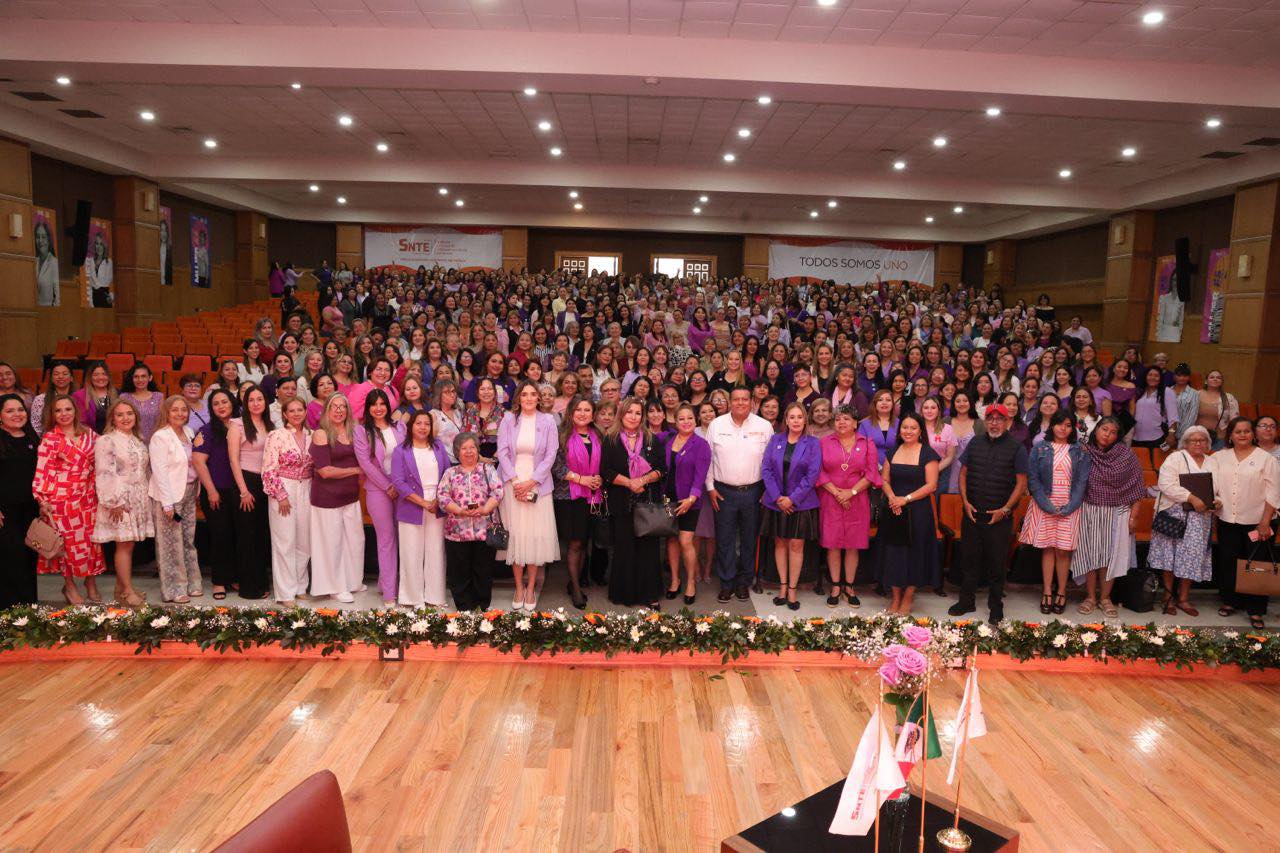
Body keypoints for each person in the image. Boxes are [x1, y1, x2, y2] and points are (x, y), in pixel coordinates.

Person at [949, 403, 1029, 624]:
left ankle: (995, 606)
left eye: (999, 419)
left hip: (999, 517)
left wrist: (1005, 510)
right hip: (972, 513)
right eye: (990, 418)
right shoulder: (975, 443)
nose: (994, 423)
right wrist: (965, 503)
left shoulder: (1017, 448)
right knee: (969, 560)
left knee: (996, 564)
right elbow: (963, 474)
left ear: (1007, 422)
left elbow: (1021, 483)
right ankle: (966, 601)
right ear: (985, 421)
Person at [1070, 417, 1146, 618]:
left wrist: (1134, 517)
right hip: (1089, 510)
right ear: (1096, 429)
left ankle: (1105, 598)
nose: (1107, 435)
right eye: (1104, 429)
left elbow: (1138, 488)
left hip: (1117, 513)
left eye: (1113, 432)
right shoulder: (1084, 451)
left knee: (1110, 557)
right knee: (1089, 555)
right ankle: (1090, 597)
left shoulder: (1126, 455)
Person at [33, 395, 106, 603]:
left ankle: (90, 582)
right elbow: (43, 470)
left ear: (75, 411)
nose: (64, 414)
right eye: (58, 410)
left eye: (68, 409)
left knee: (91, 542)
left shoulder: (90, 434)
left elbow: (103, 460)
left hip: (88, 497)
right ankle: (70, 585)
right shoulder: (50, 438)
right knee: (66, 545)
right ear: (52, 414)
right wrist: (42, 499)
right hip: (60, 500)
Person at [495, 381, 560, 610]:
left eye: (533, 394)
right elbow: (502, 451)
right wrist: (515, 482)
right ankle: (518, 587)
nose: (529, 398)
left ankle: (531, 587)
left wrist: (532, 482)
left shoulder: (548, 421)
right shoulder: (508, 419)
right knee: (516, 535)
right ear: (518, 398)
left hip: (538, 485)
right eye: (525, 394)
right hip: (512, 483)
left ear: (539, 398)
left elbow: (551, 453)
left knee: (533, 537)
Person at [704, 387, 773, 602]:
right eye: (736, 399)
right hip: (723, 491)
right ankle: (727, 583)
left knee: (749, 539)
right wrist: (710, 487)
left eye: (745, 399)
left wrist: (767, 491)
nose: (740, 403)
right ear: (729, 402)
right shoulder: (716, 425)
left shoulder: (764, 426)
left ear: (752, 402)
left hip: (754, 491)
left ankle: (744, 582)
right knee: (724, 539)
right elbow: (708, 458)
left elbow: (771, 462)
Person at [1212, 416, 1280, 628]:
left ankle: (1256, 610)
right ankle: (1230, 601)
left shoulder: (1266, 459)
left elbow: (1273, 492)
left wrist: (1265, 521)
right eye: (1238, 431)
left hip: (1259, 522)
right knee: (1228, 562)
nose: (1243, 434)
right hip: (1228, 519)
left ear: (1253, 434)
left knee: (1257, 565)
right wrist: (1214, 500)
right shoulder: (1218, 457)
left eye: (1247, 431)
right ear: (1230, 436)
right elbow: (1213, 486)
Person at [1020, 411, 1089, 615]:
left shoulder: (1080, 450)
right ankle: (1047, 592)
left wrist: (1070, 506)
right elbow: (1033, 479)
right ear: (1052, 425)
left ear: (1073, 428)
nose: (1063, 429)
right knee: (1048, 549)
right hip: (1045, 505)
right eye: (1060, 424)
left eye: (1068, 425)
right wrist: (1047, 505)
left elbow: (1082, 482)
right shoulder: (1040, 448)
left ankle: (1061, 591)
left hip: (1070, 507)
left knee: (1063, 551)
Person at [601, 397, 666, 608]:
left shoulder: (652, 439)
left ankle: (650, 594)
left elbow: (662, 469)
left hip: (647, 501)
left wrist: (642, 480)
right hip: (621, 502)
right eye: (629, 412)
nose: (633, 417)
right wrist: (629, 483)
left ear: (642, 416)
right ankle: (625, 594)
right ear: (621, 414)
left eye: (638, 413)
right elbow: (606, 471)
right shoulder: (610, 439)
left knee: (648, 549)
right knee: (624, 548)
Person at [1148, 425, 1217, 617]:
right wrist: (1191, 498)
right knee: (1170, 556)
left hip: (1200, 517)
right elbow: (1165, 484)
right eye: (1193, 440)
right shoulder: (1175, 458)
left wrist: (1218, 500)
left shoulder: (1213, 461)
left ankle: (1184, 598)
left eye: (1202, 440)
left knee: (1192, 557)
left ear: (1208, 443)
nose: (1198, 443)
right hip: (1174, 514)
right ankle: (1168, 597)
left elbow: (1219, 488)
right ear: (1185, 443)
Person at [90, 399, 153, 607]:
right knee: (124, 545)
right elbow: (104, 472)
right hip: (119, 498)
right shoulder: (107, 440)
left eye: (129, 413)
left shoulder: (137, 440)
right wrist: (113, 501)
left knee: (129, 544)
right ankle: (127, 591)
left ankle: (120, 588)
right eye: (120, 414)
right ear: (112, 419)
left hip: (137, 497)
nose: (125, 418)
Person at [816, 407, 880, 608]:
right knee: (833, 543)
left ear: (855, 423)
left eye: (846, 419)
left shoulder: (867, 443)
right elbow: (818, 471)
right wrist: (837, 493)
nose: (841, 422)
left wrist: (850, 492)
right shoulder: (824, 442)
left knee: (853, 544)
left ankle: (849, 587)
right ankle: (836, 586)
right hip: (830, 498)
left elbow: (871, 474)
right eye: (837, 419)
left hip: (857, 500)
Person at [878, 412, 941, 615]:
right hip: (894, 509)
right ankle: (895, 596)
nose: (908, 431)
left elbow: (931, 485)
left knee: (916, 553)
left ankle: (908, 596)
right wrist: (892, 498)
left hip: (918, 510)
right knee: (894, 554)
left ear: (920, 431)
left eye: (913, 428)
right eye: (905, 427)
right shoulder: (892, 451)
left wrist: (905, 499)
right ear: (899, 430)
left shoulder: (928, 454)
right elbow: (884, 480)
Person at [760, 403, 821, 611]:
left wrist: (792, 499)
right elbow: (766, 469)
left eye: (799, 417)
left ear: (805, 420)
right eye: (792, 417)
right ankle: (783, 587)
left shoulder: (813, 443)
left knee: (796, 545)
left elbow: (812, 475)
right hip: (776, 502)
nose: (796, 421)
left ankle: (793, 589)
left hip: (801, 504)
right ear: (786, 420)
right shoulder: (775, 440)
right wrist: (778, 498)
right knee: (780, 544)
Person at [309, 393, 367, 603]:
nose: (339, 410)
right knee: (331, 544)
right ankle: (334, 587)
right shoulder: (321, 434)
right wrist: (356, 470)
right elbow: (324, 471)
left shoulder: (353, 431)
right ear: (327, 410)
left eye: (343, 406)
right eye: (334, 406)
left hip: (350, 496)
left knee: (355, 541)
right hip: (327, 498)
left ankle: (352, 581)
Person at [391, 411, 451, 607]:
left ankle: (435, 596)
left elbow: (448, 474)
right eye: (419, 423)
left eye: (427, 424)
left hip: (437, 504)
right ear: (411, 426)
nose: (423, 427)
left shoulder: (438, 446)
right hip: (412, 504)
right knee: (411, 551)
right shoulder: (401, 450)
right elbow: (398, 482)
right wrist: (424, 503)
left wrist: (438, 500)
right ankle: (412, 597)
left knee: (436, 550)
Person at [438, 432, 504, 611]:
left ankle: (482, 605)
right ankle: (464, 607)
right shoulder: (450, 473)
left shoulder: (487, 470)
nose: (469, 452)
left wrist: (485, 509)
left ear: (478, 450)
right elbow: (442, 497)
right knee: (459, 570)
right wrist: (459, 510)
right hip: (457, 531)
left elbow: (498, 491)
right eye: (464, 448)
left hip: (484, 530)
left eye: (472, 447)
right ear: (457, 452)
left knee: (483, 570)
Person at [149, 395, 202, 603]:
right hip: (169, 496)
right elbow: (159, 471)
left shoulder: (189, 432)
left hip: (188, 492)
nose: (180, 413)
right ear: (167, 413)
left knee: (188, 540)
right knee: (170, 544)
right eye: (175, 410)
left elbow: (194, 463)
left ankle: (192, 582)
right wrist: (167, 503)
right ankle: (174, 589)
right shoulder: (160, 437)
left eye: (183, 410)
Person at [553, 395, 604, 609]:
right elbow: (556, 467)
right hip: (568, 496)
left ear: (593, 414)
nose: (582, 414)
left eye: (587, 410)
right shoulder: (561, 435)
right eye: (578, 410)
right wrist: (581, 479)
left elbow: (605, 463)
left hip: (593, 495)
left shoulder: (598, 435)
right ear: (571, 412)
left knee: (583, 541)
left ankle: (574, 581)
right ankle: (575, 588)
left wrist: (600, 477)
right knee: (574, 543)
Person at [353, 388, 404, 605]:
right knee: (386, 540)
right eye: (374, 404)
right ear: (368, 408)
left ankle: (389, 583)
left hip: (402, 489)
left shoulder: (399, 427)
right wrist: (387, 486)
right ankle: (390, 593)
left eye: (382, 403)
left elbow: (407, 455)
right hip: (377, 490)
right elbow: (365, 463)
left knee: (403, 538)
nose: (378, 408)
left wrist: (400, 486)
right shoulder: (361, 431)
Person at [261, 397, 313, 606]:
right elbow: (268, 468)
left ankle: (300, 586)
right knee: (285, 541)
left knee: (304, 542)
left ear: (305, 412)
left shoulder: (311, 435)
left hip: (307, 488)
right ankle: (285, 593)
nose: (296, 414)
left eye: (300, 409)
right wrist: (280, 495)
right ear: (284, 414)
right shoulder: (277, 435)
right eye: (291, 411)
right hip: (284, 489)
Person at [227, 384, 273, 600]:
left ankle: (261, 582)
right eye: (251, 400)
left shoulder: (270, 425)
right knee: (247, 536)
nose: (256, 403)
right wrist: (243, 491)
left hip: (265, 482)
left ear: (266, 402)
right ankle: (249, 588)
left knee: (262, 536)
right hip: (245, 482)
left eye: (259, 399)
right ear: (245, 403)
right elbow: (233, 460)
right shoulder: (237, 425)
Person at [663, 403, 711, 606]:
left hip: (689, 500)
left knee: (685, 541)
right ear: (675, 421)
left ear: (696, 420)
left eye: (689, 418)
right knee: (671, 540)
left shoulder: (701, 444)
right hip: (667, 499)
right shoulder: (667, 440)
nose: (686, 422)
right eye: (681, 418)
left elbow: (700, 476)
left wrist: (691, 499)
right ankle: (675, 580)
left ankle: (691, 581)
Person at [0, 394, 39, 608]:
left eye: (20, 409)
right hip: (5, 512)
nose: (17, 414)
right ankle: (8, 611)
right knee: (10, 559)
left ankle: (29, 609)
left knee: (28, 558)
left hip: (30, 511)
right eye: (10, 411)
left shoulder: (32, 438)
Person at [1132, 366, 1179, 450]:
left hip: (1157, 437)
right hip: (1136, 437)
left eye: (1156, 375)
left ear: (1160, 378)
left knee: (1158, 458)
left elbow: (1173, 416)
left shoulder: (1167, 391)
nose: (1153, 378)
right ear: (1145, 377)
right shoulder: (1140, 392)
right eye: (1150, 375)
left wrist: (1171, 434)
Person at [35, 216, 59, 306]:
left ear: (49, 239)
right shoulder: (33, 261)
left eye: (43, 237)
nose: (40, 240)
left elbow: (57, 298)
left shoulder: (54, 263)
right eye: (38, 237)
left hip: (48, 311)